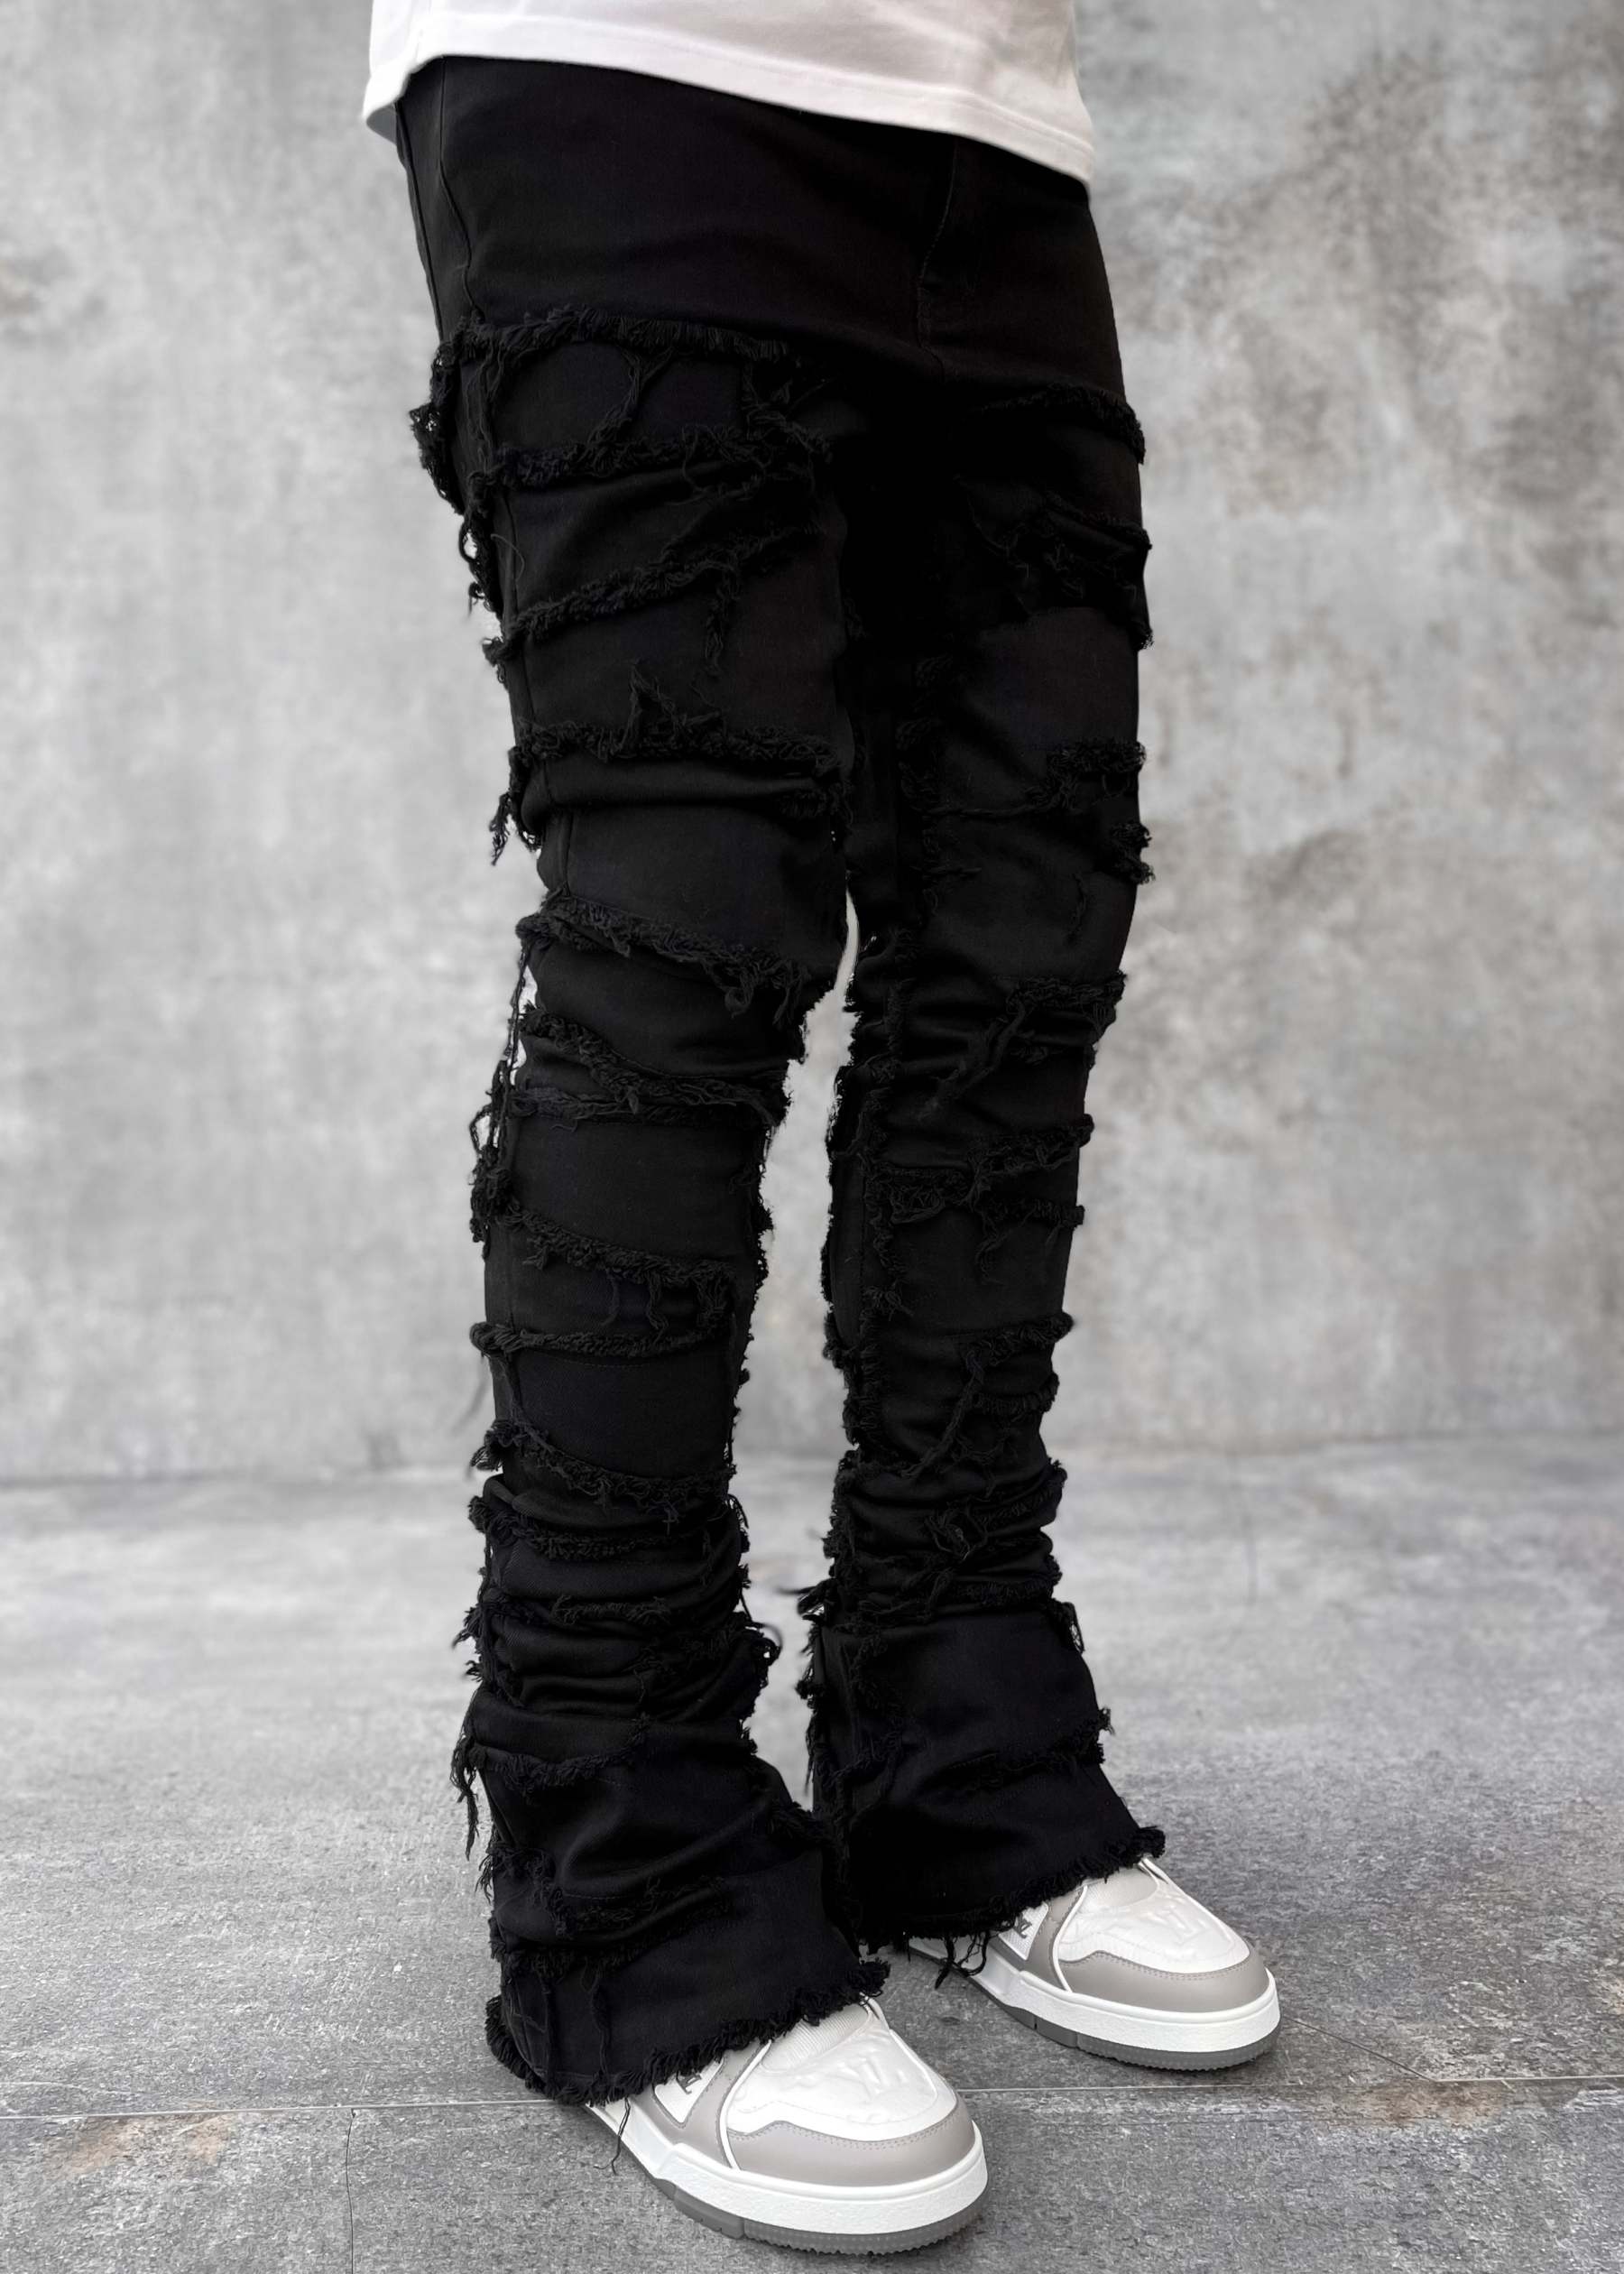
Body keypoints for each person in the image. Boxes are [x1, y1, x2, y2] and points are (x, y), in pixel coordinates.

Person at [363, 5, 1279, 2251]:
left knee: (1015, 941)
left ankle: (954, 1739)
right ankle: (622, 1851)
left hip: (991, 118)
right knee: (682, 940)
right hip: (625, 62)